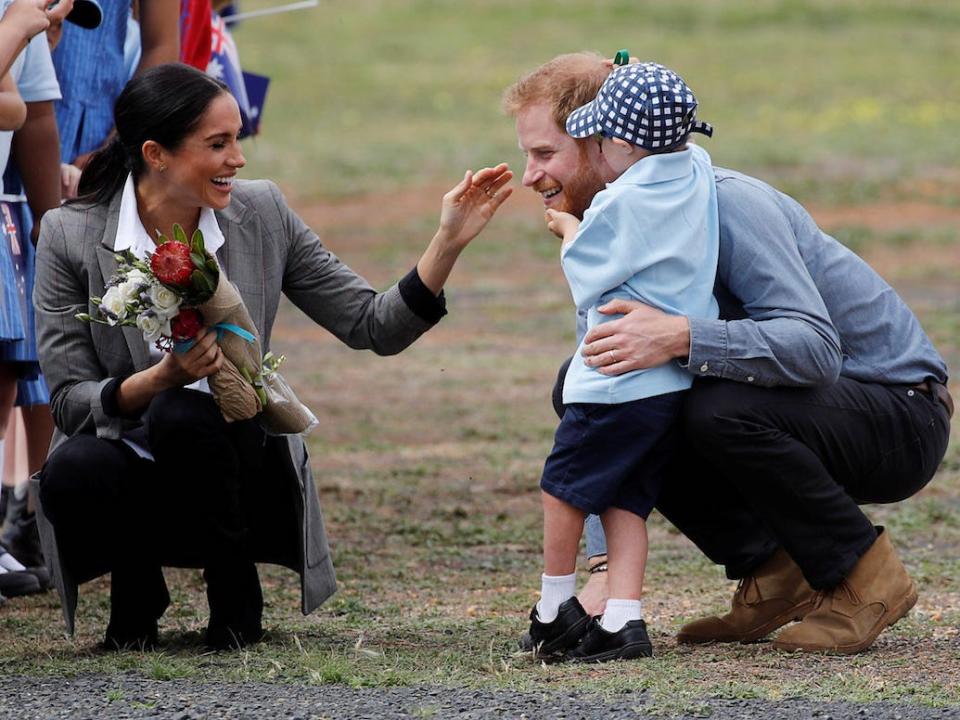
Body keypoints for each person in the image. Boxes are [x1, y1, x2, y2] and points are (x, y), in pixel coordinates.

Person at [34, 62, 512, 650]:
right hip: (127, 457)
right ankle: (137, 594)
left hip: (241, 456)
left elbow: (372, 325)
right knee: (76, 468)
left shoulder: (262, 212)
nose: (239, 158)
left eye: (237, 138)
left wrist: (447, 242)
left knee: (184, 416)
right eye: (219, 144)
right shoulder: (69, 233)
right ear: (156, 154)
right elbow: (66, 402)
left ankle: (235, 594)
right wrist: (160, 378)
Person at [503, 51, 951, 655]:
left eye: (544, 153)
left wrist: (681, 335)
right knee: (598, 382)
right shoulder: (627, 217)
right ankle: (774, 572)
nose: (530, 176)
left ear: (604, 140)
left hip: (898, 410)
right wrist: (604, 566)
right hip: (808, 404)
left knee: (715, 408)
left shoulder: (726, 202)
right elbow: (602, 404)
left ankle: (866, 578)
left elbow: (816, 349)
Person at [526, 62, 719, 663]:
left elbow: (588, 277)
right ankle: (624, 618)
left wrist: (568, 229)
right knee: (625, 499)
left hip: (614, 379)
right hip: (669, 383)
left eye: (601, 138)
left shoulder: (619, 202)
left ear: (625, 145)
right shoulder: (699, 170)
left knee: (563, 490)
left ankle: (554, 605)